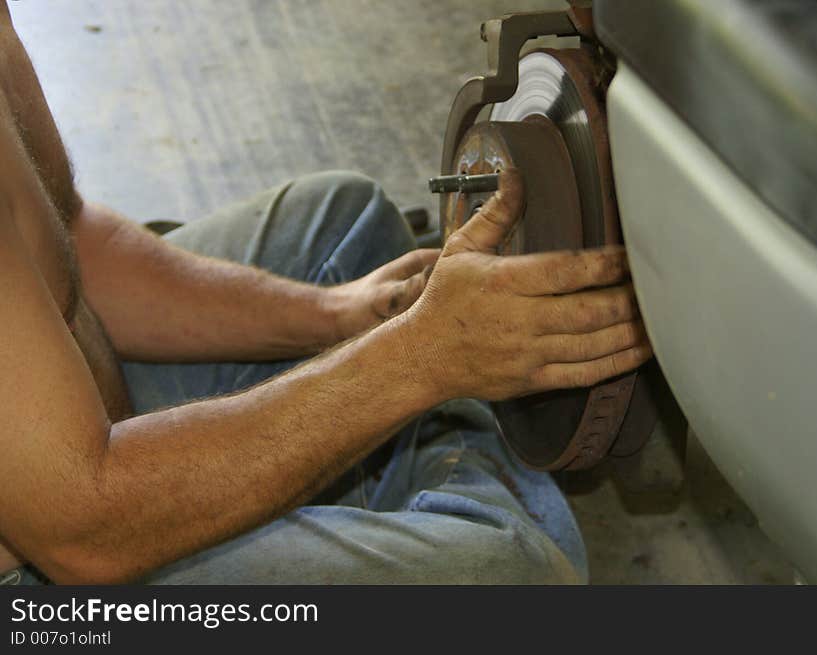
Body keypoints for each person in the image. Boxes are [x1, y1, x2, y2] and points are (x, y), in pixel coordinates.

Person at [0, 4, 651, 585]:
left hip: (69, 427)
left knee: (347, 226)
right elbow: (85, 530)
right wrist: (418, 357)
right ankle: (403, 483)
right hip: (64, 562)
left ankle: (377, 475)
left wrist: (339, 316)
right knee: (521, 571)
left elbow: (71, 236)